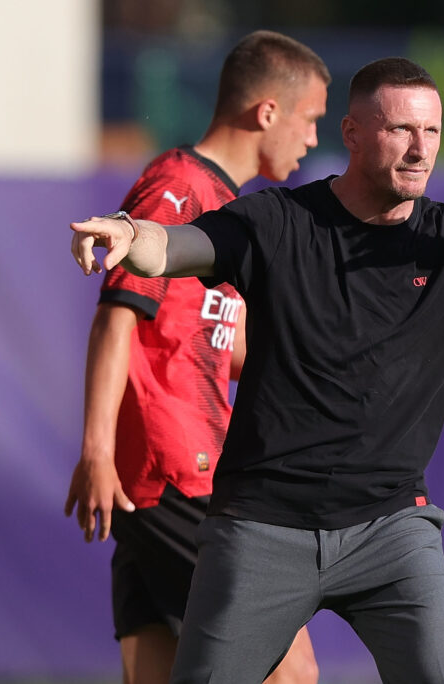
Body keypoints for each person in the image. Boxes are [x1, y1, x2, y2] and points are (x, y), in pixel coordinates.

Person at [70, 57, 444, 684]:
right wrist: (136, 234)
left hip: (392, 527)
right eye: (401, 129)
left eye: (431, 132)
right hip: (244, 512)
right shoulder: (271, 218)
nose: (419, 149)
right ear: (353, 132)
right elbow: (173, 249)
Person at [63, 30, 329, 684]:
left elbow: (221, 344)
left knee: (155, 669)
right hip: (175, 465)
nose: (313, 139)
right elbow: (117, 315)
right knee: (291, 671)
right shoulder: (177, 187)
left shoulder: (233, 208)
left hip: (171, 470)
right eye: (312, 119)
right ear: (267, 112)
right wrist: (97, 450)